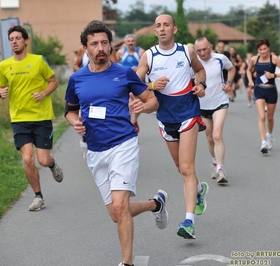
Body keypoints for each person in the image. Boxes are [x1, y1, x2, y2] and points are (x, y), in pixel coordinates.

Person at [65, 20, 168, 266]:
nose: (100, 47)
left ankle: (127, 262)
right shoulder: (76, 79)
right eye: (94, 44)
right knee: (116, 213)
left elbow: (153, 101)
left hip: (124, 143)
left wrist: (142, 106)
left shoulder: (124, 74)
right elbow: (69, 110)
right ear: (85, 48)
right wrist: (74, 122)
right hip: (95, 150)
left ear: (111, 45)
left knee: (120, 205)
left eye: (104, 42)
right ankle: (156, 204)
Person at [136, 14, 209, 240]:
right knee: (181, 168)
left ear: (174, 29)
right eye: (158, 26)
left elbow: (200, 71)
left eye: (166, 25)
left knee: (187, 168)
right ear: (155, 31)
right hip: (165, 118)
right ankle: (198, 191)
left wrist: (201, 84)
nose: (162, 29)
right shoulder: (149, 56)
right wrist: (151, 84)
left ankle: (189, 222)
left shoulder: (187, 51)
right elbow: (134, 84)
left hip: (188, 112)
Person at [0, 25, 64, 211]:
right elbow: (0, 88)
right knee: (27, 159)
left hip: (41, 118)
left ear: (25, 41)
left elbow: (54, 82)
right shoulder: (4, 66)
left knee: (42, 160)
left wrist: (43, 93)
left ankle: (52, 164)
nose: (15, 41)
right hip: (19, 119)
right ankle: (38, 197)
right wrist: (1, 93)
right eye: (11, 39)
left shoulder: (38, 61)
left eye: (18, 38)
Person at [194, 37, 236, 183]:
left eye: (204, 49)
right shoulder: (193, 62)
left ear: (210, 47)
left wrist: (229, 83)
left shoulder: (220, 58)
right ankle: (214, 161)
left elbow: (231, 69)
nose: (202, 52)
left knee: (217, 135)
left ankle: (220, 169)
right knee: (210, 137)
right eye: (198, 50)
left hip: (220, 101)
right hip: (202, 104)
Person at [246, 39, 280, 154]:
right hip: (259, 90)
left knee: (269, 117)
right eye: (260, 49)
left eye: (264, 49)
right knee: (261, 117)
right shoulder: (254, 59)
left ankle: (269, 135)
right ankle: (263, 142)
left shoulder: (274, 59)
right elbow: (248, 70)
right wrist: (250, 80)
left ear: (268, 48)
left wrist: (273, 75)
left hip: (271, 90)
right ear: (257, 50)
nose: (263, 51)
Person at [116, 34, 146, 133]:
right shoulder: (120, 52)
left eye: (132, 41)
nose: (130, 43)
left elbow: (147, 65)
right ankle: (127, 121)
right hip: (123, 82)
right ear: (125, 42)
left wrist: (139, 69)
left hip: (137, 81)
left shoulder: (141, 52)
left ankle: (134, 120)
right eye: (128, 41)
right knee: (126, 104)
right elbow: (114, 64)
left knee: (139, 103)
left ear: (135, 42)